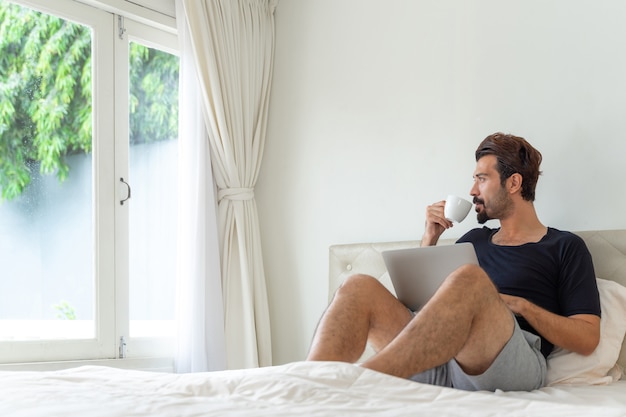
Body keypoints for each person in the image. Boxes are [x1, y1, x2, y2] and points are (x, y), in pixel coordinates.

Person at [306, 132, 601, 391]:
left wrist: (516, 304)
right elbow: (423, 309)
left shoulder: (564, 247)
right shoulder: (474, 239)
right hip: (442, 359)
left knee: (470, 280)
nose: (472, 190)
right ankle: (309, 382)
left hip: (509, 360)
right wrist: (429, 240)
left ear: (513, 183)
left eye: (481, 179)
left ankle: (365, 379)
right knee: (358, 286)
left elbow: (588, 338)